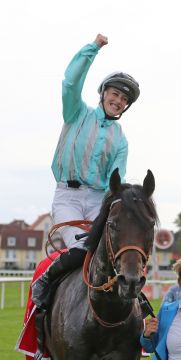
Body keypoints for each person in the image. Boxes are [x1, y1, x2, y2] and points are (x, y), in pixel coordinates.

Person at [32, 34, 140, 309]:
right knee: (82, 250)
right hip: (68, 197)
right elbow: (70, 83)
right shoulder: (76, 113)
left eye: (124, 99)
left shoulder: (121, 140)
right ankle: (45, 280)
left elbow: (117, 182)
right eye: (115, 93)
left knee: (112, 250)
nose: (118, 100)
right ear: (104, 93)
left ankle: (131, 305)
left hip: (97, 200)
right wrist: (93, 49)